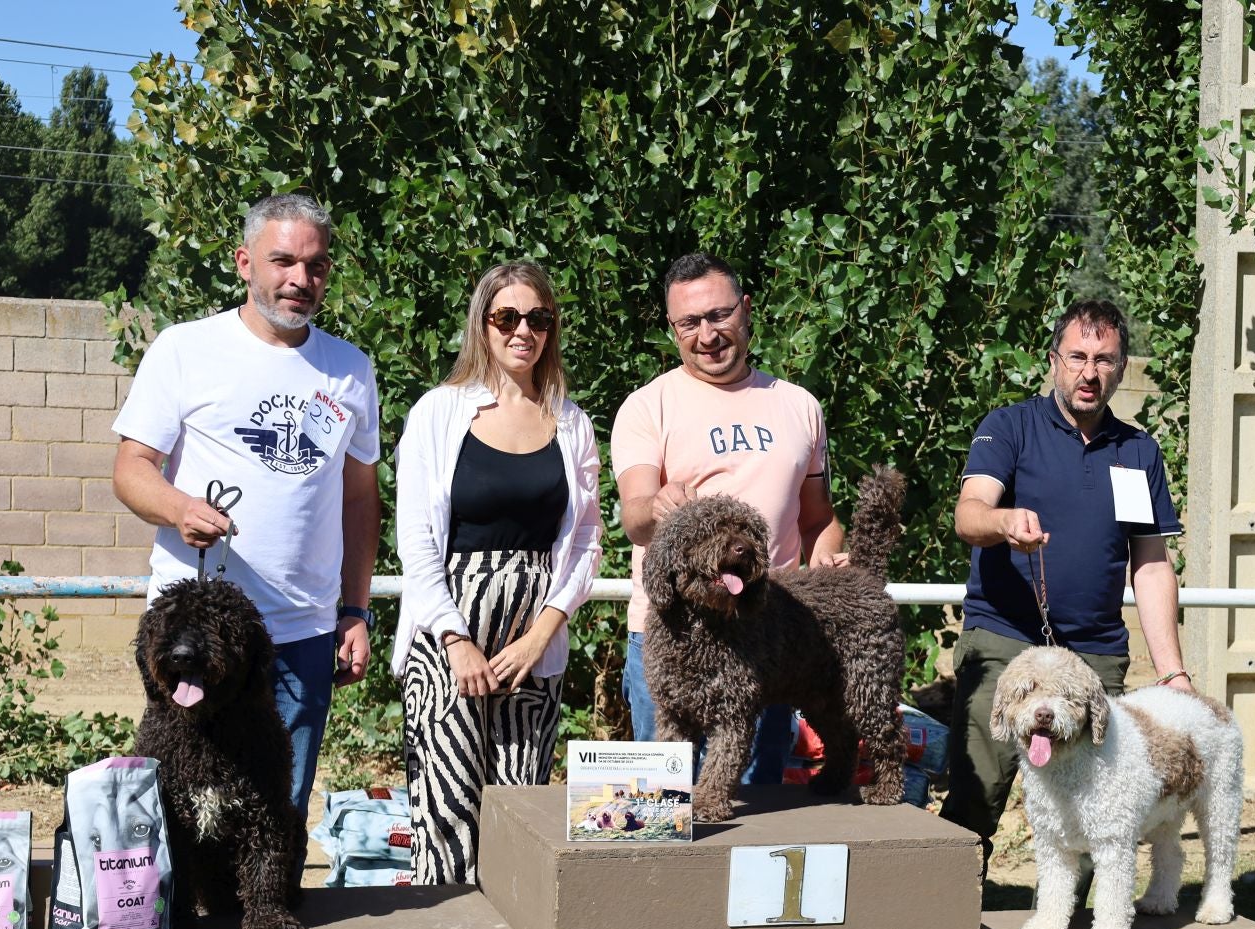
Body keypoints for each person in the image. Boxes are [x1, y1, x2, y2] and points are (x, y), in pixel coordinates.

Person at [112, 193, 382, 884]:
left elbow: (358, 500)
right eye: (282, 260)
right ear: (244, 263)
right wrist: (177, 507)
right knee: (177, 803)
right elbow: (130, 469)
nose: (299, 279)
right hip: (195, 637)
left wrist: (355, 612)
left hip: (301, 631)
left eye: (315, 266)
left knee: (275, 813)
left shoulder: (351, 368)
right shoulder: (185, 349)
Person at [941, 298, 1189, 864]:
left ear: (1122, 368)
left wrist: (1173, 672)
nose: (1089, 371)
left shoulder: (1139, 451)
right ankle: (952, 919)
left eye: (1104, 359)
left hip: (1093, 655)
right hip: (1005, 641)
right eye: (1077, 356)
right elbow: (968, 513)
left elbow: (1150, 564)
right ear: (1054, 360)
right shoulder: (1009, 426)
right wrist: (1004, 522)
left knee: (1098, 803)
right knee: (977, 793)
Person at [390, 262, 601, 884]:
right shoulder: (439, 411)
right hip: (447, 632)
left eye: (537, 318)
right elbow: (415, 539)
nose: (522, 331)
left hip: (533, 633)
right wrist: (456, 640)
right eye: (506, 317)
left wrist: (541, 636)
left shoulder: (573, 422)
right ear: (482, 326)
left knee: (521, 800)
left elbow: (587, 539)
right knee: (447, 802)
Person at [614, 253, 845, 781]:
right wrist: (657, 508)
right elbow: (634, 517)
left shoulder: (799, 406)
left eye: (719, 315)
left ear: (745, 310)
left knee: (755, 817)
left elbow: (818, 520)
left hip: (765, 632)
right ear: (672, 329)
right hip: (668, 632)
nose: (707, 334)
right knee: (659, 814)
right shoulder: (648, 407)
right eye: (689, 323)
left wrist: (828, 555)